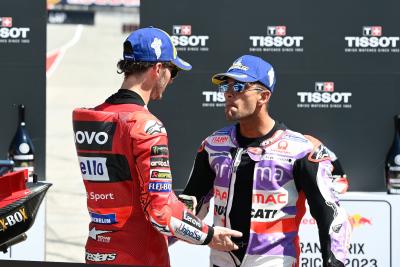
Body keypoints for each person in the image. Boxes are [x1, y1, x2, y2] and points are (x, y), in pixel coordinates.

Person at [72, 27, 242, 266]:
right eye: (173, 72)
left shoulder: (90, 119)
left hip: (98, 252)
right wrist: (209, 235)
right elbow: (160, 212)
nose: (172, 80)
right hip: (139, 255)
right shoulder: (146, 125)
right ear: (158, 69)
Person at [182, 55, 352, 267]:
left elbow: (330, 216)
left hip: (274, 261)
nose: (228, 93)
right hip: (221, 261)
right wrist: (203, 234)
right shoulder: (213, 145)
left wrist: (333, 264)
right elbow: (189, 208)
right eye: (227, 86)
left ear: (263, 96)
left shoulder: (300, 150)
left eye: (239, 87)